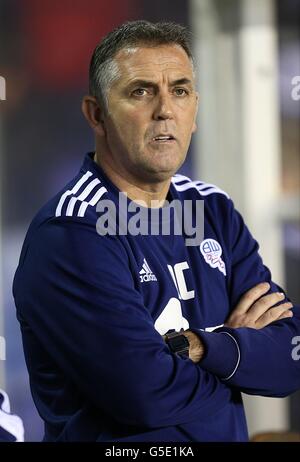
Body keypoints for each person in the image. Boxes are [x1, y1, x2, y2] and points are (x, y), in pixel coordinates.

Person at [13, 20, 300, 442]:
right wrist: (236, 348)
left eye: (180, 91)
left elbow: (289, 361)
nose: (165, 109)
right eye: (141, 91)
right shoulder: (72, 233)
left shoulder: (213, 210)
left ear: (195, 111)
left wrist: (201, 346)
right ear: (96, 114)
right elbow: (144, 395)